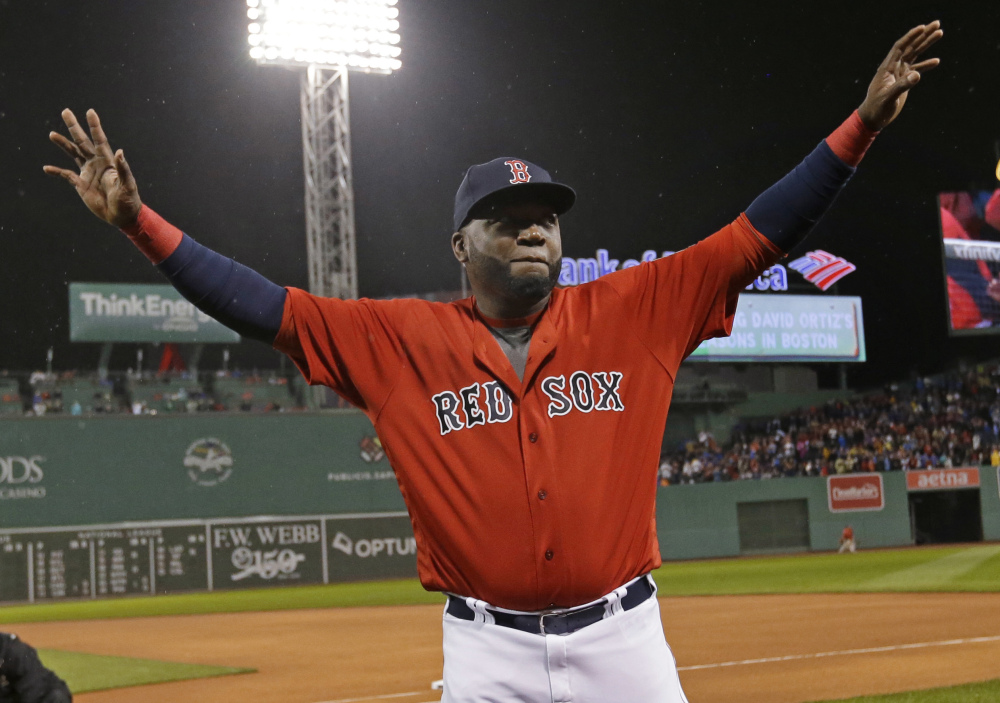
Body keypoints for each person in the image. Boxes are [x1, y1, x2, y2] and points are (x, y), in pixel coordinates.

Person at [44, 21, 942, 703]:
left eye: (546, 211)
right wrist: (138, 223)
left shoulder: (638, 309)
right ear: (459, 246)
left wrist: (861, 126)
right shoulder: (395, 341)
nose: (534, 224)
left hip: (625, 642)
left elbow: (762, 231)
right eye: (508, 214)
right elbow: (256, 301)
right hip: (486, 654)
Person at [0, 633, 72, 703]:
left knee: (56, 697)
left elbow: (33, 691)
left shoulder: (15, 652)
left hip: (44, 695)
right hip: (12, 694)